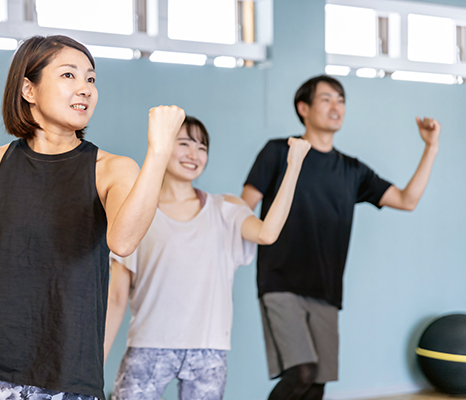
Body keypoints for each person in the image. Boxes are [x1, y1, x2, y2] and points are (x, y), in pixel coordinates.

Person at [0, 35, 186, 400]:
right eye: (69, 75)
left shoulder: (112, 169)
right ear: (28, 89)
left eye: (91, 79)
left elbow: (124, 241)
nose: (85, 88)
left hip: (66, 377)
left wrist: (159, 152)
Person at [241, 75, 441, 400]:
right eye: (326, 99)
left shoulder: (352, 170)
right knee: (301, 371)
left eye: (341, 99)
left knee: (316, 384)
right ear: (303, 108)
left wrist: (431, 147)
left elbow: (407, 200)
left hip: (326, 289)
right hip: (280, 282)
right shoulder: (279, 151)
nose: (336, 106)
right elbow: (243, 208)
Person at [104, 116, 311, 400]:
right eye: (184, 143)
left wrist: (294, 165)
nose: (194, 154)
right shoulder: (138, 215)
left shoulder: (225, 209)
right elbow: (115, 297)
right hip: (148, 346)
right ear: (164, 146)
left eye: (202, 147)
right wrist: (93, 366)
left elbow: (267, 233)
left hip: (208, 350)